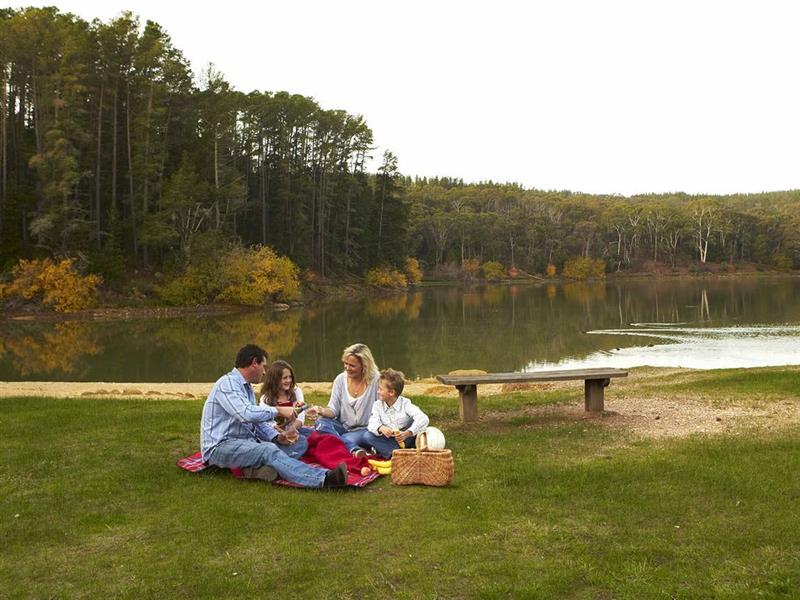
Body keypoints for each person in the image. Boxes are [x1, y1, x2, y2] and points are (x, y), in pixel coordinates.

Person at [200, 344, 347, 488]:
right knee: (267, 450)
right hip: (220, 447)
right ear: (254, 363)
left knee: (299, 443)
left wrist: (277, 437)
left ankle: (258, 470)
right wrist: (278, 410)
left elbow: (257, 422)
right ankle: (325, 479)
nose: (264, 372)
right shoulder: (227, 384)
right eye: (263, 366)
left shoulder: (246, 387)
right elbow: (246, 414)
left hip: (247, 443)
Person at [306, 343, 379, 457]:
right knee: (321, 422)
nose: (347, 368)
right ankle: (355, 449)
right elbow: (333, 410)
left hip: (368, 430)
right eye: (345, 363)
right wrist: (320, 410)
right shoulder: (340, 379)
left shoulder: (376, 380)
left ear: (364, 366)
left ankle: (347, 446)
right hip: (344, 427)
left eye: (352, 365)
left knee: (344, 438)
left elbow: (383, 411)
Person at [363, 368, 430, 458]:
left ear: (391, 392)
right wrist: (381, 428)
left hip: (405, 439)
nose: (378, 391)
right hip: (388, 439)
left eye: (380, 389)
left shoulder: (405, 404)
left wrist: (407, 433)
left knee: (415, 424)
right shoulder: (377, 405)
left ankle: (391, 453)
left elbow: (423, 418)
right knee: (367, 435)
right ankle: (395, 454)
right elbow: (372, 422)